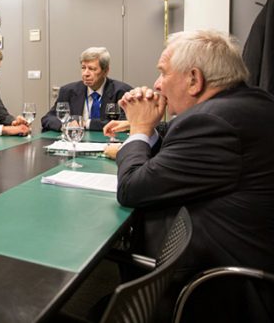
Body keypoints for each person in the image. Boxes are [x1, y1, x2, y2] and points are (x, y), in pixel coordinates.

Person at [115, 30, 274, 322]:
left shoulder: (211, 122)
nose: (156, 84)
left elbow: (131, 188)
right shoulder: (249, 102)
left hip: (223, 290)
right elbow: (180, 148)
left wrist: (139, 130)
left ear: (194, 80)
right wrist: (147, 130)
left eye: (163, 73)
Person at [41, 47, 132, 131]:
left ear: (105, 71)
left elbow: (128, 123)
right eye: (83, 68)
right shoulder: (68, 91)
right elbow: (48, 118)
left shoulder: (122, 92)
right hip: (76, 141)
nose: (85, 73)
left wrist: (86, 124)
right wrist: (66, 125)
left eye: (92, 69)